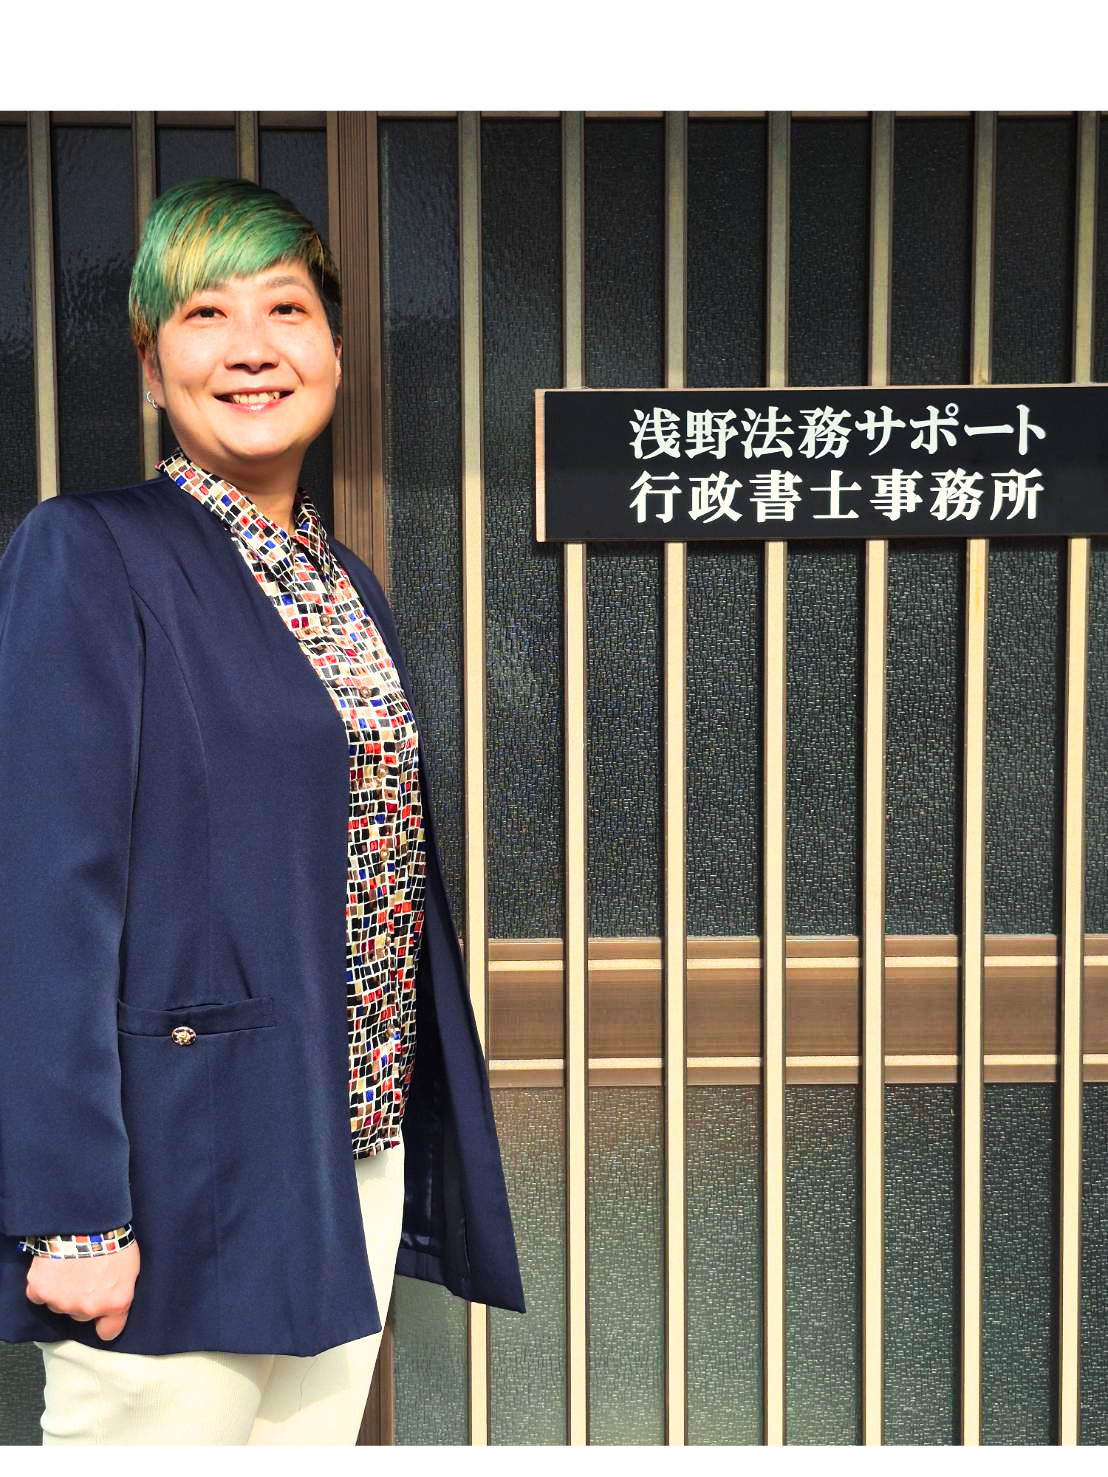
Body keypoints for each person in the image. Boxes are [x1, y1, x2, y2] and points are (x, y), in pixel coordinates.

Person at [0, 176, 524, 1445]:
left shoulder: (346, 584)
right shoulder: (90, 552)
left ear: (334, 350)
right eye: (204, 314)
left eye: (285, 309)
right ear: (151, 363)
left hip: (348, 1152)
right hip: (180, 1175)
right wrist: (73, 1214)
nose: (251, 347)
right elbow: (43, 901)